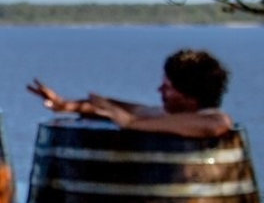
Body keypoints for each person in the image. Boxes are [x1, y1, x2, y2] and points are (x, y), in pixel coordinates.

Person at [27, 49, 233, 138]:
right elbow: (127, 109)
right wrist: (65, 105)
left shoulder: (213, 118)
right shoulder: (170, 116)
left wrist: (131, 123)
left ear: (190, 94)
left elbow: (214, 126)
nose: (160, 91)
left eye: (168, 87)